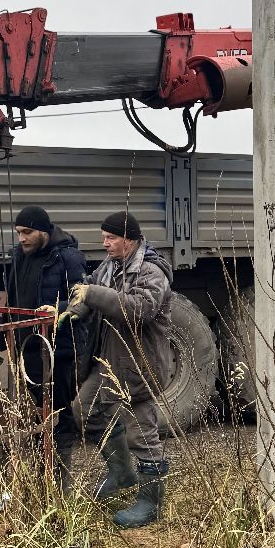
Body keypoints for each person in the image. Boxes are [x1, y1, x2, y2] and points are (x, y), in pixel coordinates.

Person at [67, 210, 174, 528]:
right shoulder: (110, 266)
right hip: (109, 361)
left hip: (138, 364)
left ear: (130, 240)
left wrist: (93, 294)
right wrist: (73, 308)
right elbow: (89, 291)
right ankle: (122, 473)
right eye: (104, 237)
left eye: (111, 238)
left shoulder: (152, 273)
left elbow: (138, 310)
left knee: (141, 430)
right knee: (83, 409)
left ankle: (151, 502)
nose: (105, 243)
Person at [3, 204, 87, 490]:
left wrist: (58, 309)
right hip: (29, 346)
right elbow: (14, 296)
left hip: (59, 349)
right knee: (40, 408)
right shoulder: (19, 255)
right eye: (18, 233)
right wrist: (2, 329)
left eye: (27, 232)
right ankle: (44, 466)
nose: (22, 238)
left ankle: (61, 479)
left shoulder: (67, 257)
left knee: (60, 412)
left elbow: (83, 300)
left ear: (43, 231)